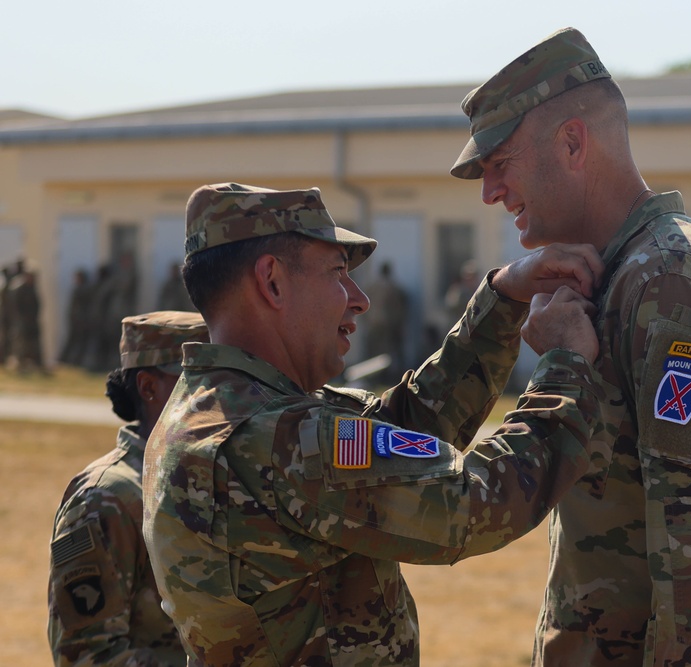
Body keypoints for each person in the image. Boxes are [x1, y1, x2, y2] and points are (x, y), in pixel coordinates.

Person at [142, 182, 606, 666]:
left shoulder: (218, 409)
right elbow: (473, 504)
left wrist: (503, 298)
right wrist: (566, 365)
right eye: (338, 272)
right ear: (272, 281)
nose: (359, 298)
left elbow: (408, 429)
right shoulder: (269, 438)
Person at [450, 27, 691, 665]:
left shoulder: (671, 278)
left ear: (574, 141)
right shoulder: (623, 272)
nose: (488, 193)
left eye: (500, 165)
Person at [48, 310, 209, 666]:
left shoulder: (206, 481)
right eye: (195, 381)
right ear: (149, 388)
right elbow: (88, 654)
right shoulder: (106, 499)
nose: (213, 395)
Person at [362, 261, 408, 381]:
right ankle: (386, 376)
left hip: (373, 322)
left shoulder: (372, 286)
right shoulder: (393, 288)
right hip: (388, 323)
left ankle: (371, 376)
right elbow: (398, 307)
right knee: (388, 351)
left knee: (373, 350)